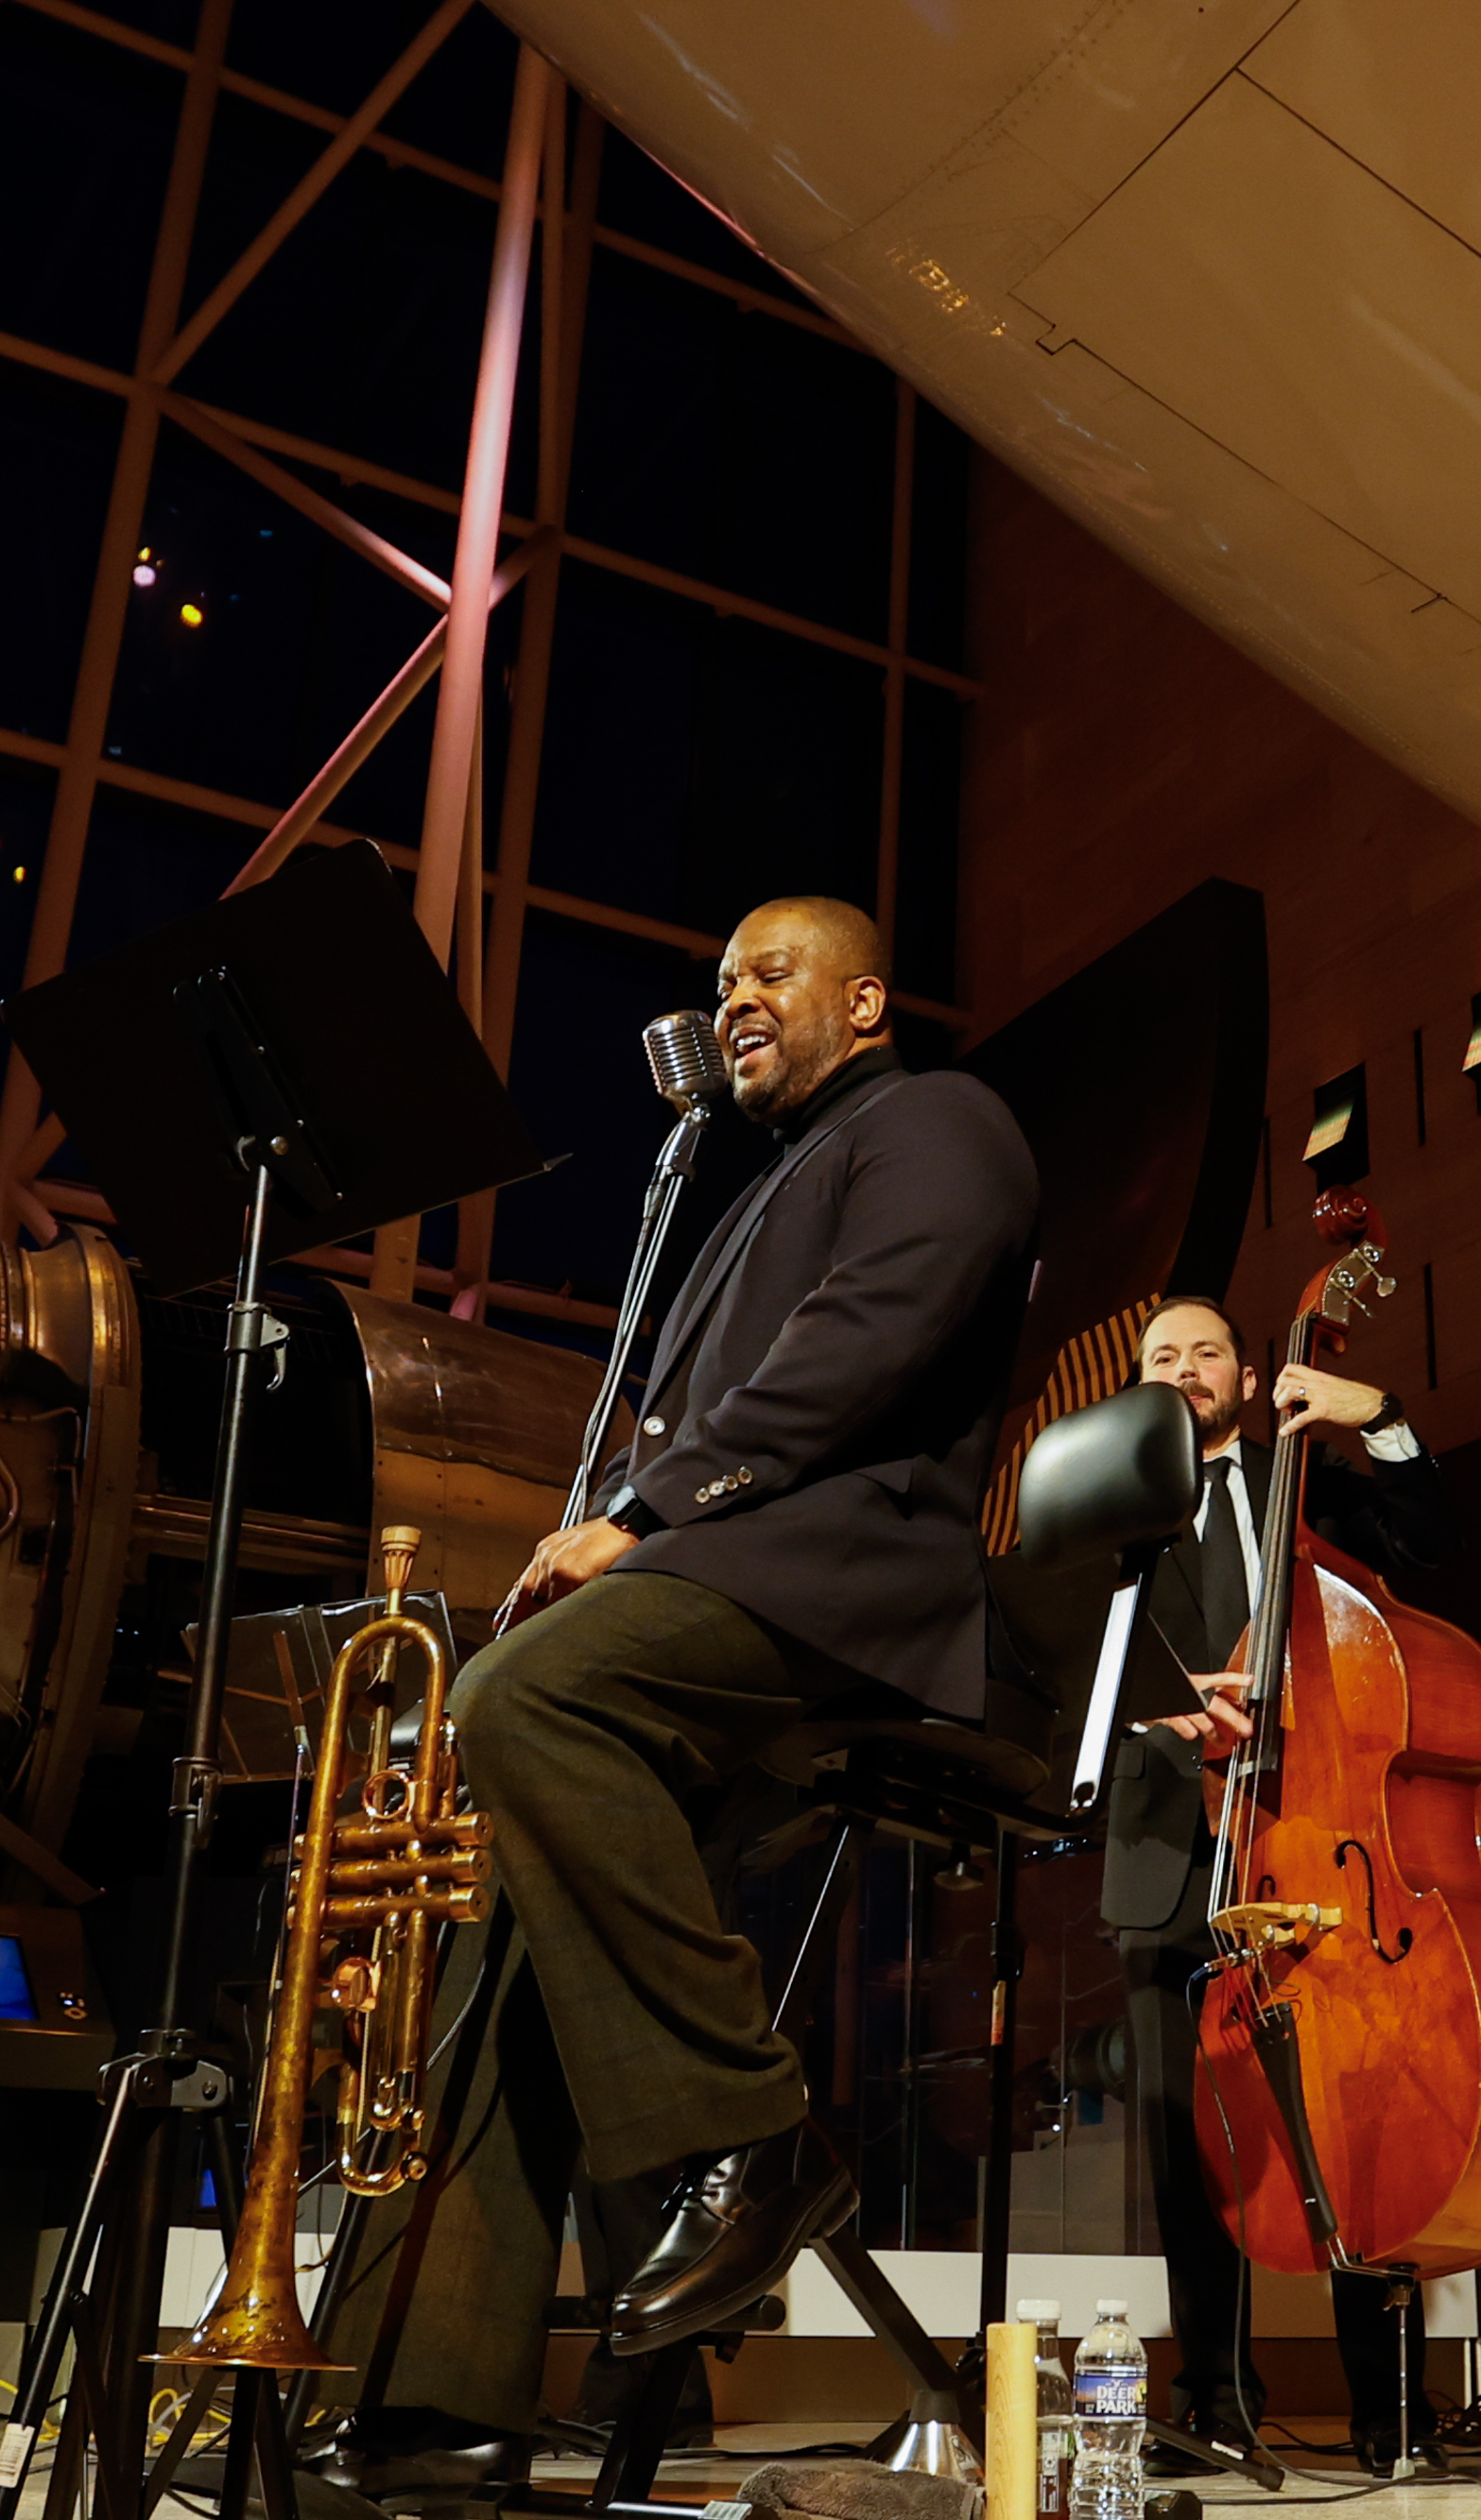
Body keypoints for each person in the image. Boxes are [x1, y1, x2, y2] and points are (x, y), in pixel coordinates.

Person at [429, 895, 1041, 2374]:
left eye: (772, 972)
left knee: (529, 1702)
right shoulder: (750, 1179)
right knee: (493, 1903)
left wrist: (641, 1513)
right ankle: (427, 2403)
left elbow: (868, 1337)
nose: (737, 998)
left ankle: (753, 2141)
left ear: (869, 999)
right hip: (733, 1571)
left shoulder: (942, 1118)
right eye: (724, 980)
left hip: (841, 1583)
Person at [1099, 1294, 1460, 2473]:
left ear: (1250, 1379)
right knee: (1184, 2145)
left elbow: (1430, 1548)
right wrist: (1160, 1712)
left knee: (1349, 2117)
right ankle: (1210, 2400)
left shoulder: (1302, 1477)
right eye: (1163, 1355)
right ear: (1139, 1382)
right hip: (1168, 1848)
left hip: (1319, 1847)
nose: (1186, 1367)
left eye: (1207, 1350)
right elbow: (1066, 1688)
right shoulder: (1108, 1507)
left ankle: (1389, 2409)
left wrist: (1385, 1421)